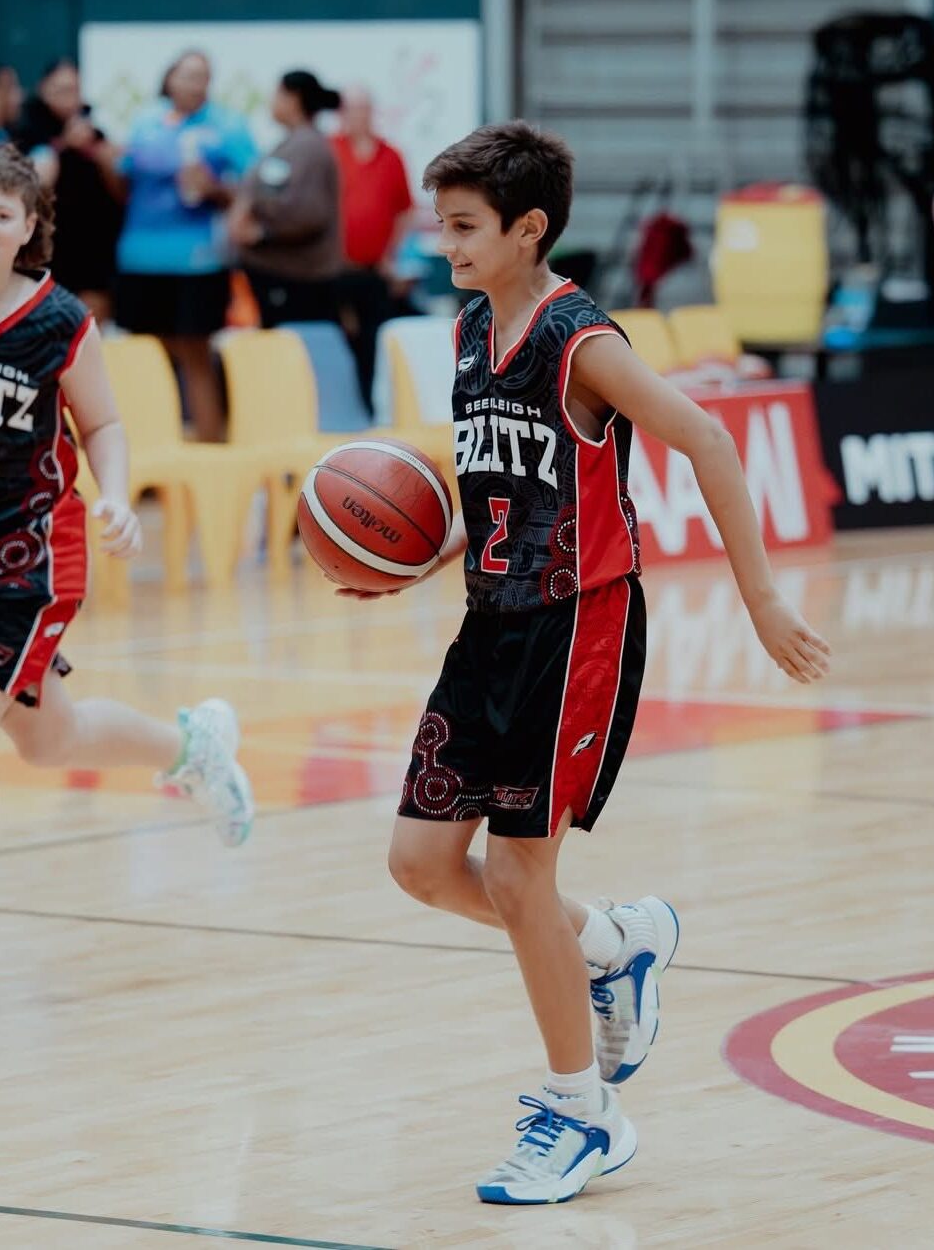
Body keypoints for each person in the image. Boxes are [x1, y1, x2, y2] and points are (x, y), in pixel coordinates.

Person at [360, 122, 831, 1205]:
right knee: (421, 864)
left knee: (523, 872)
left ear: (530, 230)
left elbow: (707, 440)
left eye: (465, 227)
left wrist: (761, 601)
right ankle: (616, 944)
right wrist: (423, 551)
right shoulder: (473, 325)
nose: (445, 243)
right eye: (441, 223)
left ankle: (582, 1114)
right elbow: (497, 483)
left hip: (577, 626)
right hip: (489, 622)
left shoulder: (581, 339)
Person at [0, 143, 254, 1007]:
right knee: (46, 737)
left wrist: (119, 497)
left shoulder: (59, 320)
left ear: (29, 227)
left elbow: (102, 423)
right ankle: (192, 747)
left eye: (0, 213)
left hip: (34, 553)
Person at [116, 50, 255, 442]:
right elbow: (122, 182)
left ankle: (209, 458)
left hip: (200, 261)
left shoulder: (227, 125)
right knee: (148, 361)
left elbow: (250, 189)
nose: (195, 84)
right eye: (187, 75)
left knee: (196, 356)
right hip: (139, 258)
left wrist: (216, 191)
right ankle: (149, 459)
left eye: (203, 77)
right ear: (169, 78)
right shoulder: (144, 122)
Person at [229, 70, 343, 330]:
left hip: (297, 282)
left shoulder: (309, 147)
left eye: (277, 94)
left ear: (293, 98)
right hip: (279, 278)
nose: (271, 102)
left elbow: (310, 213)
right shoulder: (292, 144)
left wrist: (262, 232)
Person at [16, 58, 124, 325]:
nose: (69, 98)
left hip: (94, 247)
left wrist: (102, 155)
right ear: (43, 89)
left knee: (90, 327)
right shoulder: (26, 133)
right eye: (60, 90)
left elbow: (121, 189)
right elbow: (32, 187)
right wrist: (64, 145)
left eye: (74, 89)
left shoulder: (96, 132)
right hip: (47, 246)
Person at [330, 84, 415, 412]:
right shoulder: (330, 150)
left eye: (363, 108)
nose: (357, 116)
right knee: (339, 341)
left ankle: (372, 408)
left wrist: (390, 253)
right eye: (351, 109)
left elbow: (404, 210)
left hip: (374, 269)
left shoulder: (390, 155)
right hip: (335, 270)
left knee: (372, 341)